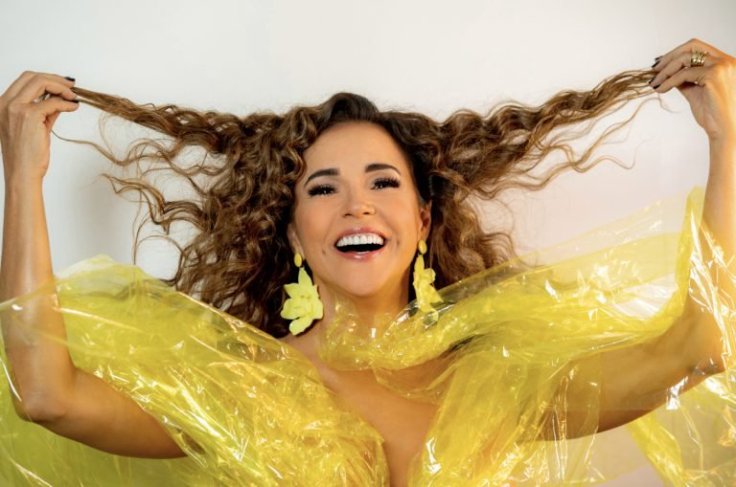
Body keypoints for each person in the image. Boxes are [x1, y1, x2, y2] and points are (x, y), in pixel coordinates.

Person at [0, 38, 734, 485]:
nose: (357, 206)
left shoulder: (496, 378)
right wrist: (23, 177)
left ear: (422, 221)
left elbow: (699, 347)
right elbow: (48, 396)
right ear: (294, 235)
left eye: (383, 183)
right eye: (324, 189)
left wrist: (728, 139)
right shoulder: (248, 385)